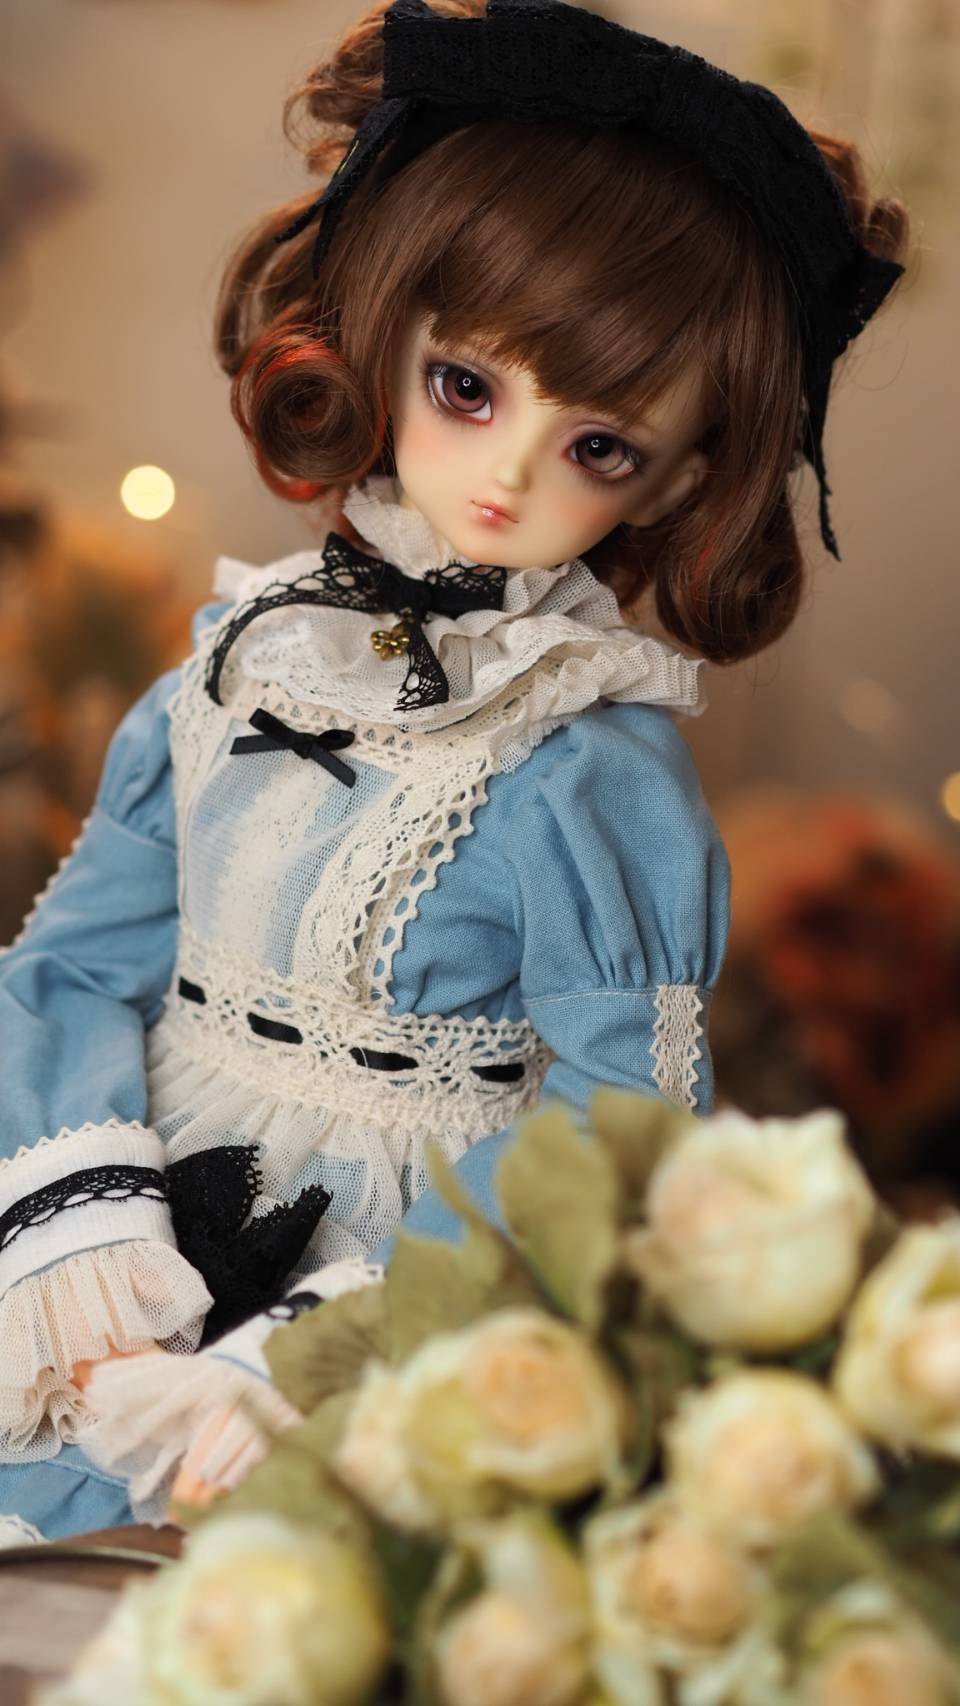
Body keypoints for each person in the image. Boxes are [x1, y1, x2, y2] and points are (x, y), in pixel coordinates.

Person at [0, 0, 909, 1543]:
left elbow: (615, 1141)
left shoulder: (592, 767)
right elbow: (75, 964)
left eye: (600, 445)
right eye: (471, 388)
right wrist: (77, 1227)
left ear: (683, 474)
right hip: (121, 1206)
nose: (508, 472)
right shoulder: (242, 656)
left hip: (396, 1289)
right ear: (383, 334)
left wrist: (328, 1352)